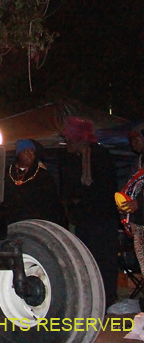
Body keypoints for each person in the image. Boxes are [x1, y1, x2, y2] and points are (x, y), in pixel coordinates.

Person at [59, 116, 118, 308]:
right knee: (84, 260)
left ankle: (107, 299)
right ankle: (88, 299)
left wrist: (83, 196)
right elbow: (67, 187)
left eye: (70, 138)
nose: (67, 142)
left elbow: (106, 188)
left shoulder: (100, 155)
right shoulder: (69, 158)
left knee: (103, 259)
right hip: (82, 220)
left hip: (102, 219)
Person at [3, 139, 62, 225]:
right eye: (26, 152)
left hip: (35, 220)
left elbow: (50, 201)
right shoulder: (7, 172)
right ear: (18, 154)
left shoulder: (42, 175)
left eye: (32, 152)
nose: (30, 155)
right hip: (12, 220)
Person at [118, 130, 144, 274]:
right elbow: (130, 189)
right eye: (131, 139)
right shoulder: (138, 162)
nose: (133, 143)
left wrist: (139, 204)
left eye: (137, 139)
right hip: (139, 222)